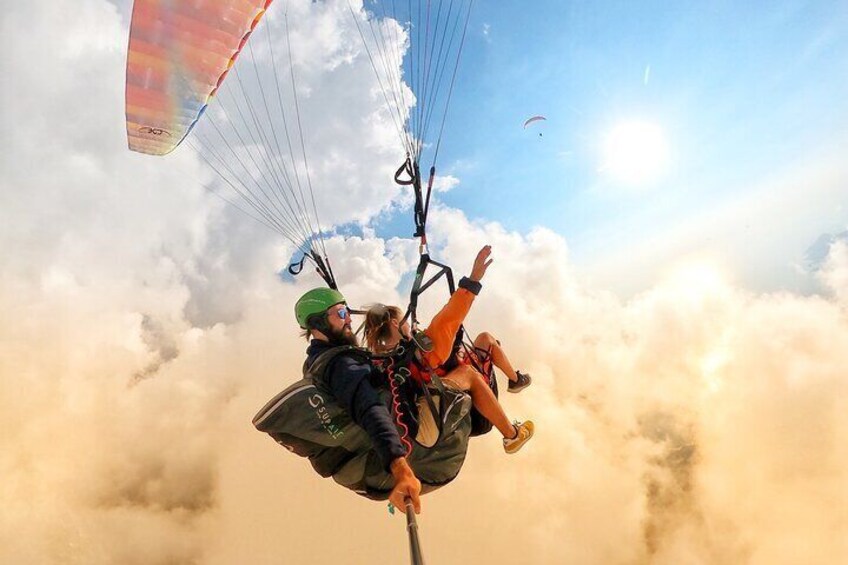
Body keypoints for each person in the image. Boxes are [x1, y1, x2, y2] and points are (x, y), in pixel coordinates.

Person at [364, 245, 534, 454]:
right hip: (459, 412)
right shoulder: (421, 348)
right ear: (393, 324)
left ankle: (516, 380)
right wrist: (473, 280)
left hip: (434, 403)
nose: (408, 324)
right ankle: (512, 435)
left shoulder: (381, 359)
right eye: (403, 321)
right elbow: (448, 319)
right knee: (469, 371)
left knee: (485, 339)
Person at [294, 286, 421, 514]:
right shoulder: (339, 364)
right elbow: (368, 407)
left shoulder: (317, 361)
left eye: (348, 313)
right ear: (319, 324)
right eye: (342, 313)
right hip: (384, 454)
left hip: (367, 462)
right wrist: (400, 468)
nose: (349, 319)